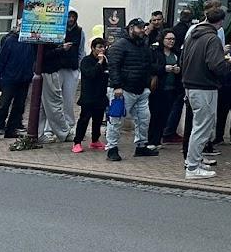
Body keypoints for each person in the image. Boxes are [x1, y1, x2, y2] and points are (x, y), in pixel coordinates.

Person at [181, 9, 231, 179]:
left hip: (191, 84)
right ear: (220, 22)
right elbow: (215, 65)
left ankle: (193, 161)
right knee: (202, 127)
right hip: (204, 86)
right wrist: (229, 64)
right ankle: (193, 167)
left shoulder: (192, 35)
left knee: (198, 126)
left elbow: (185, 59)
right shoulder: (213, 38)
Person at [105, 18, 159, 162]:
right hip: (122, 90)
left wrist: (148, 83)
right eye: (140, 28)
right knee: (116, 120)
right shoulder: (119, 45)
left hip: (141, 89)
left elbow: (148, 64)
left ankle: (141, 145)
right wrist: (117, 86)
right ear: (131, 28)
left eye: (143, 28)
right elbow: (113, 67)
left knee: (143, 120)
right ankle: (112, 148)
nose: (143, 30)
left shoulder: (143, 46)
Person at [0, 23, 35, 142]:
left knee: (19, 106)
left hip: (24, 78)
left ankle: (11, 129)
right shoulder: (10, 40)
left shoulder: (31, 42)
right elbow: (1, 60)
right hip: (10, 78)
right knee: (3, 105)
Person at [39, 17, 78, 143]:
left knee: (44, 105)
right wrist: (61, 49)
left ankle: (41, 132)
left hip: (49, 70)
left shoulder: (47, 34)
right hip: (49, 71)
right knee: (54, 103)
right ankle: (63, 132)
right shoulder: (44, 35)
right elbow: (45, 55)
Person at [72, 38, 108, 153]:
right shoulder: (86, 60)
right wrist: (99, 63)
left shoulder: (106, 61)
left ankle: (95, 140)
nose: (102, 50)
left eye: (103, 47)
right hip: (88, 96)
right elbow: (90, 74)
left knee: (98, 119)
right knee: (84, 119)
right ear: (93, 48)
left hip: (101, 95)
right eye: (99, 47)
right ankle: (77, 142)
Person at [148, 29, 182, 149]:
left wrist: (178, 70)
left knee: (165, 115)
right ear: (162, 39)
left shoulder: (176, 53)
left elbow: (182, 67)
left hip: (172, 88)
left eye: (173, 39)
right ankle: (151, 140)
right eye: (168, 39)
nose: (171, 41)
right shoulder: (155, 52)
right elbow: (150, 66)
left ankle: (158, 140)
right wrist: (164, 68)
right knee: (155, 114)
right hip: (158, 88)